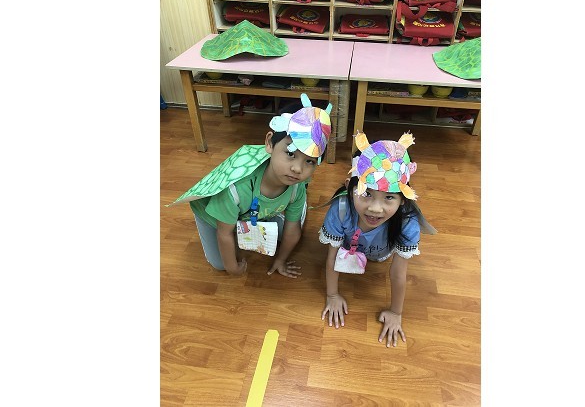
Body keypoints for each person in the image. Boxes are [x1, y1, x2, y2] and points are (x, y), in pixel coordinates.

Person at [169, 93, 332, 277]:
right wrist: (232, 267)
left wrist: (280, 260)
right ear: (269, 143)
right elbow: (224, 233)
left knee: (287, 232)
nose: (297, 169)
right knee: (221, 264)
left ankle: (292, 210)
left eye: (310, 161)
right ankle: (245, 221)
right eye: (290, 153)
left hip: (253, 212)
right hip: (212, 216)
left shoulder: (296, 186)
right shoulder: (237, 187)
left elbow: (292, 231)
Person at [319, 131, 436, 347]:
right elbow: (331, 258)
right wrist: (332, 295)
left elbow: (398, 273)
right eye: (366, 193)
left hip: (381, 254)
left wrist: (396, 312)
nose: (375, 208)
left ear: (403, 199)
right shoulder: (340, 209)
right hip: (348, 249)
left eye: (389, 197)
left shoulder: (407, 222)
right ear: (349, 188)